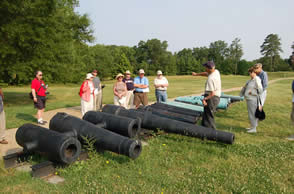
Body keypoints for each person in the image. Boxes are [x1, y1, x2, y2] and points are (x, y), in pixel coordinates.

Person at [192, 61, 221, 129]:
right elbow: (206, 73)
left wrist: (204, 99)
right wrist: (196, 74)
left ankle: (212, 132)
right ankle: (203, 128)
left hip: (212, 98)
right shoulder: (216, 72)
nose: (204, 68)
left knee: (209, 115)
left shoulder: (211, 79)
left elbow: (212, 93)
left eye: (205, 67)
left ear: (209, 68)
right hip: (215, 97)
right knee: (206, 114)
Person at [240, 67, 263, 133]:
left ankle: (254, 128)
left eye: (250, 73)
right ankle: (252, 126)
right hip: (249, 99)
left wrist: (252, 93)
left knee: (252, 114)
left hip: (253, 99)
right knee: (251, 113)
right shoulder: (251, 80)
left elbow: (260, 90)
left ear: (254, 72)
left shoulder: (257, 79)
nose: (250, 74)